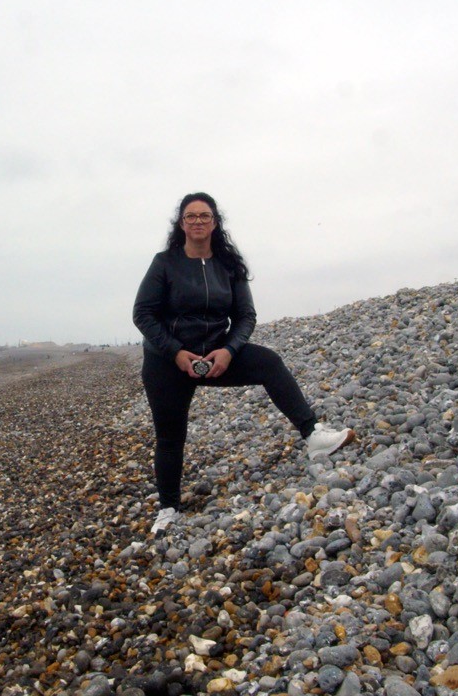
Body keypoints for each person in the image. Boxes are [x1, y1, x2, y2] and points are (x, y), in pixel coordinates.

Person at [132, 192, 356, 534]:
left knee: (269, 362)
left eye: (204, 216)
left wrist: (229, 350)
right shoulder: (164, 263)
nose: (197, 221)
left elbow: (245, 316)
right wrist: (176, 352)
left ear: (215, 222)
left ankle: (312, 435)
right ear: (181, 223)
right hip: (168, 362)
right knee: (170, 437)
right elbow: (143, 314)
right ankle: (168, 508)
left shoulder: (229, 265)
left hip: (215, 355)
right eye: (190, 216)